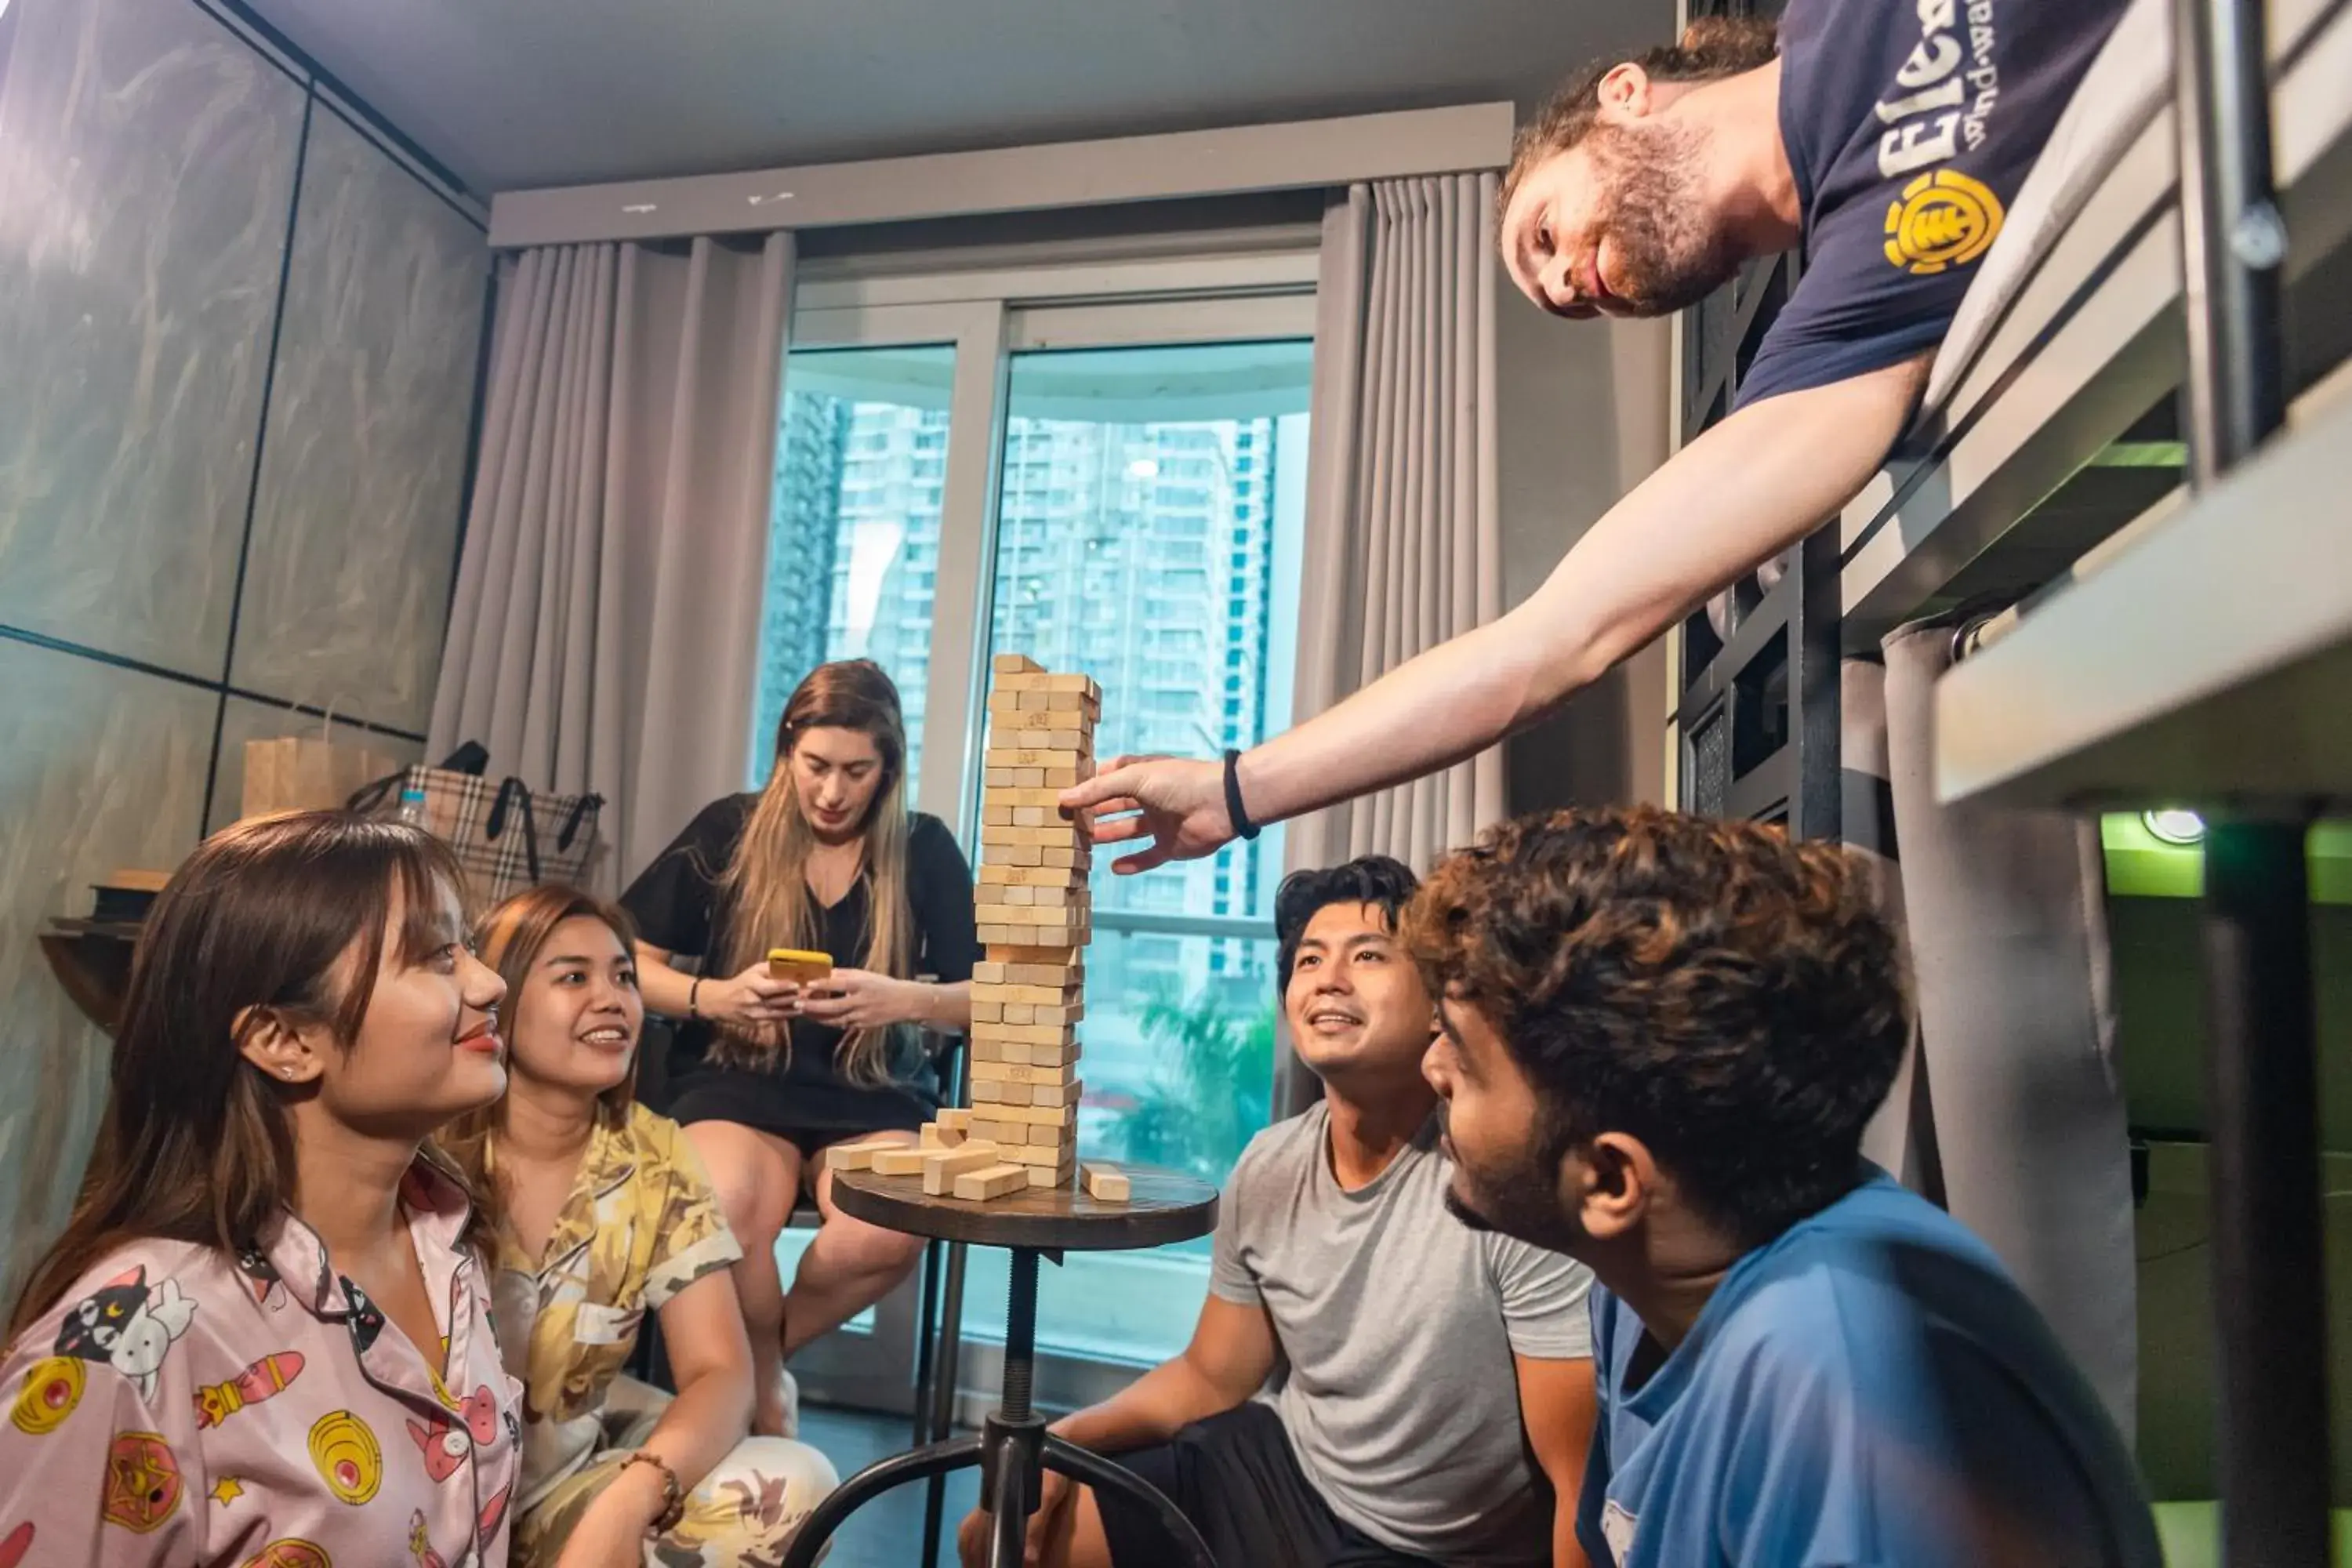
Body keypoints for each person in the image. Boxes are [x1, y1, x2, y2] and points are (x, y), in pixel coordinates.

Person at [1062, 2, 2129, 871]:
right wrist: (1239, 791)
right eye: (1569, 303)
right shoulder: (1842, 332)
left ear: (1624, 94)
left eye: (1544, 236)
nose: (1574, 281)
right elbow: (1546, 644)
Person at [1405, 807, 2162, 1568]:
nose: (1431, 1067)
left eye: (1465, 1060)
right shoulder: (1640, 1282)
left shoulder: (1843, 1389)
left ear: (1608, 1179)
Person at [961, 855, 1599, 1568]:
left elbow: (1577, 1482)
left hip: (1432, 1547)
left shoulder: (1499, 1180)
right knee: (1013, 1537)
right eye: (1308, 960)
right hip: (1283, 1471)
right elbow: (1212, 1375)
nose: (1329, 978)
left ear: (1437, 1005)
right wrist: (1055, 1446)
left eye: (1368, 956)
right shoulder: (1269, 1165)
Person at [0, 812, 521, 1566]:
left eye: (467, 946)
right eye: (438, 955)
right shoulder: (135, 1336)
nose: (490, 981)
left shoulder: (449, 1248)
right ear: (283, 1040)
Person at [622, 658, 978, 1436]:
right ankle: (758, 1389)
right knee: (723, 1201)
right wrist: (714, 995)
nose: (831, 791)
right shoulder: (729, 829)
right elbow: (621, 961)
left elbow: (994, 996)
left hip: (874, 1089)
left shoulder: (924, 848)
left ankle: (751, 1367)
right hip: (737, 1080)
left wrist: (904, 998)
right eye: (816, 765)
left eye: (857, 771)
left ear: (888, 769)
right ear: (788, 749)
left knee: (885, 1227)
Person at [445, 884, 839, 1566]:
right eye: (574, 976)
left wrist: (628, 1502)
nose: (612, 998)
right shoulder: (433, 1141)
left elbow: (721, 1371)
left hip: (556, 1495)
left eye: (623, 976)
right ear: (499, 997)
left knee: (796, 1487)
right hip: (417, 1497)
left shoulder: (654, 1154)